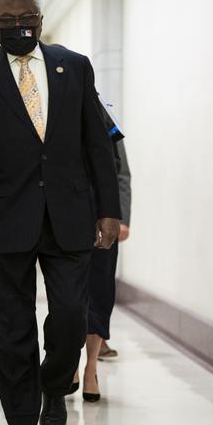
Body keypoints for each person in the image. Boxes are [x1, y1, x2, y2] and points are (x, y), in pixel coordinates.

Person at [0, 0, 121, 425]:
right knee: (12, 324)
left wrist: (110, 209)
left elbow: (97, 144)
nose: (17, 25)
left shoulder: (74, 66)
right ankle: (19, 422)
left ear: (41, 20)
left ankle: (53, 386)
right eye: (6, 19)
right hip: (5, 218)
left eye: (26, 17)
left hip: (70, 215)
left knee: (69, 314)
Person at [71, 97, 132, 402]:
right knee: (69, 295)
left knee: (100, 293)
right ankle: (70, 360)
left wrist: (121, 217)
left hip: (103, 219)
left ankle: (91, 368)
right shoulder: (58, 114)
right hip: (67, 219)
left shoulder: (104, 118)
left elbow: (121, 172)